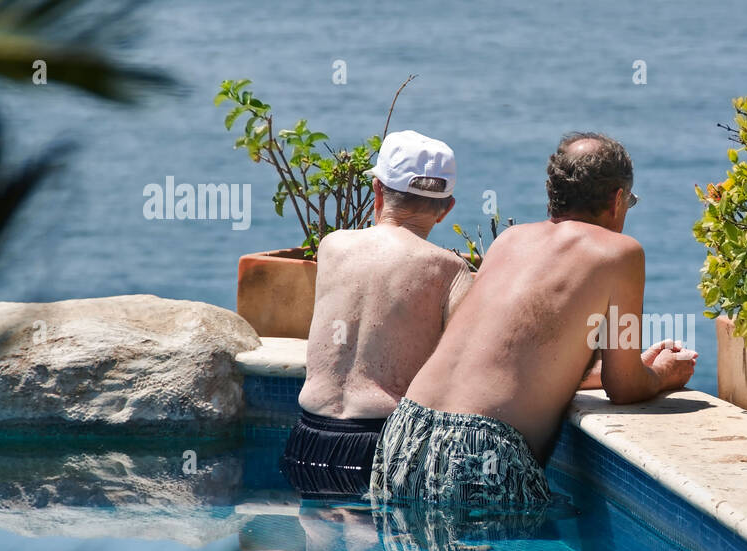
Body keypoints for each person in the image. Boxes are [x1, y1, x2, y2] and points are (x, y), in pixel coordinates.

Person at [370, 131, 696, 510]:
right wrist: (664, 374)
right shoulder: (620, 253)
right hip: (482, 450)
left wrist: (635, 364)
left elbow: (515, 358)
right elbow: (623, 388)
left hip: (406, 430)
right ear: (617, 199)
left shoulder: (509, 240)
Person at [281, 130, 473, 497]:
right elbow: (463, 367)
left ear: (378, 191)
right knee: (377, 550)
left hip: (308, 440)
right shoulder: (448, 269)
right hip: (384, 445)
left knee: (321, 547)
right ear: (446, 209)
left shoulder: (333, 246)